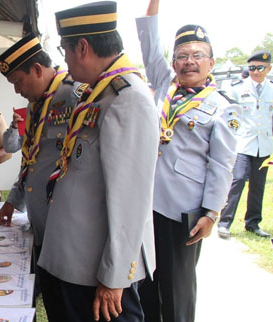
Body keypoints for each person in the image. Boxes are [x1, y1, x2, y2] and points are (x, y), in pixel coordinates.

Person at [37, 2, 160, 321]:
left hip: (95, 272)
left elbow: (131, 199)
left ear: (83, 47)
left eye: (65, 50)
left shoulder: (127, 99)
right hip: (75, 259)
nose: (64, 59)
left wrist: (114, 277)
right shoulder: (98, 94)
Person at [136, 0, 240, 321]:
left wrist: (211, 212)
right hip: (145, 204)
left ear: (211, 62)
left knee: (177, 290)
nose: (189, 62)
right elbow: (150, 46)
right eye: (182, 55)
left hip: (181, 211)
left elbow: (222, 166)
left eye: (197, 55)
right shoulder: (165, 84)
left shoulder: (222, 108)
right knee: (146, 282)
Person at [0, 34, 86, 280]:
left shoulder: (76, 96)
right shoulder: (35, 105)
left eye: (18, 81)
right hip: (40, 221)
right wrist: (13, 201)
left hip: (67, 226)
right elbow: (31, 160)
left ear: (37, 69)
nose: (17, 90)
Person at [218, 50, 273, 239]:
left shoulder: (271, 89)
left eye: (260, 68)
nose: (256, 71)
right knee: (238, 179)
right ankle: (224, 222)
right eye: (252, 68)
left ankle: (253, 223)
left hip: (264, 145)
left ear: (268, 68)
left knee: (258, 185)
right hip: (243, 143)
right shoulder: (237, 88)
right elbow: (229, 116)